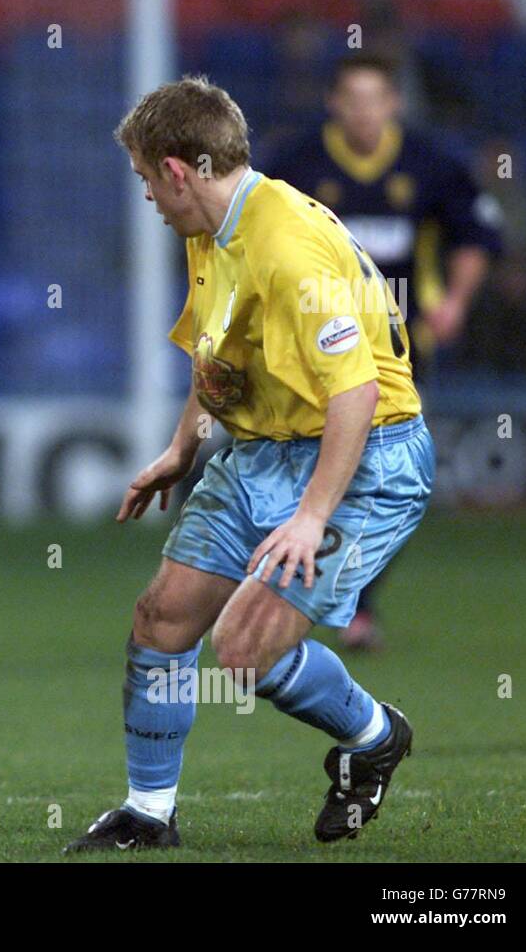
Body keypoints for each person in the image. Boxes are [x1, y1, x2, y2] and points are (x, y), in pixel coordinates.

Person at [66, 76, 433, 853]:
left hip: (365, 457)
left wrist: (311, 517)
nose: (148, 199)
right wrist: (182, 446)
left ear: (177, 171)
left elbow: (357, 394)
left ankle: (374, 736)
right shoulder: (212, 228)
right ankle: (148, 812)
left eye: (144, 179)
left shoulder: (284, 246)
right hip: (264, 448)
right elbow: (217, 359)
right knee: (163, 618)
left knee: (241, 651)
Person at [267, 52, 501, 649]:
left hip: (397, 351)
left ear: (394, 103)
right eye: (353, 100)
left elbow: (473, 237)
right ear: (334, 104)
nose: (365, 112)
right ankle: (286, 590)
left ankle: (357, 604)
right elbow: (256, 243)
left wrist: (455, 302)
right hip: (310, 349)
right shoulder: (297, 164)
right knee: (299, 469)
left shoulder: (432, 164)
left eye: (376, 99)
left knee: (380, 478)